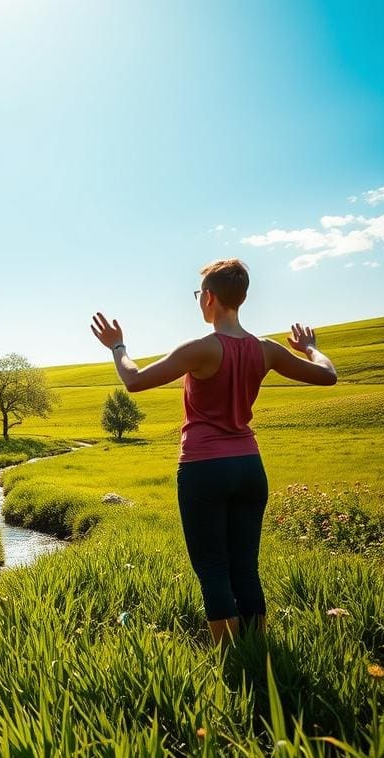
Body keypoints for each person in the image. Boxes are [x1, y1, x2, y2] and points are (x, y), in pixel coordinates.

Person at [90, 259, 336, 647]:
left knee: (213, 570)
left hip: (204, 468)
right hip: (250, 468)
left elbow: (133, 380)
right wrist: (310, 349)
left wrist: (117, 346)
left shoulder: (200, 349)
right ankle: (257, 650)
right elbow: (327, 375)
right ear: (242, 298)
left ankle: (231, 658)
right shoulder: (265, 350)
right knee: (246, 569)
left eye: (198, 295)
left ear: (209, 298)